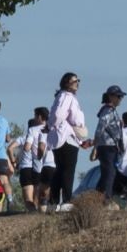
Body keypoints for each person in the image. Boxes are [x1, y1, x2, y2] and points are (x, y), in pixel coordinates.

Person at [48, 72, 87, 210]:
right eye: (74, 81)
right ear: (66, 83)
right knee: (68, 169)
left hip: (60, 137)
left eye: (78, 81)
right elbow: (59, 115)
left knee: (60, 169)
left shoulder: (61, 96)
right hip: (67, 137)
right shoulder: (67, 96)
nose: (77, 84)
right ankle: (66, 201)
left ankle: (53, 202)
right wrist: (53, 125)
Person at [92, 85, 126, 205]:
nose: (120, 99)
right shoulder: (107, 111)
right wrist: (95, 146)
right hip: (107, 146)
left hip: (112, 146)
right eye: (118, 96)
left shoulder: (113, 111)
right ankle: (106, 199)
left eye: (121, 96)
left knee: (109, 172)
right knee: (109, 173)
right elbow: (100, 128)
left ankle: (97, 197)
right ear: (111, 96)